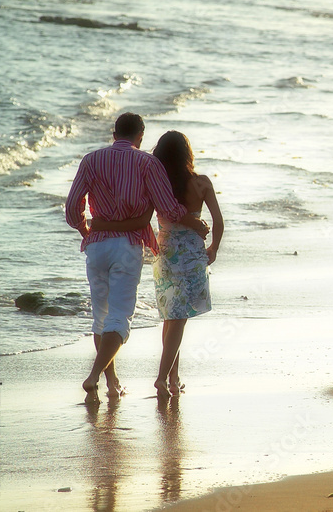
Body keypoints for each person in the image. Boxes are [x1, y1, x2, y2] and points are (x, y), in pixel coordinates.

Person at [65, 113, 208, 404]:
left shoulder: (91, 160)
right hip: (128, 246)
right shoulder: (146, 162)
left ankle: (112, 384)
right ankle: (93, 377)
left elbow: (71, 208)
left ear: (113, 131)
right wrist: (195, 224)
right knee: (119, 316)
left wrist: (86, 229)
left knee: (101, 317)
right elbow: (168, 207)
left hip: (96, 246)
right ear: (140, 135)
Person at [93, 130, 223, 398]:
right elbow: (218, 222)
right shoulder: (201, 183)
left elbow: (142, 217)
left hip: (164, 255)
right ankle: (162, 379)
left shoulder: (156, 184)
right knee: (178, 319)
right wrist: (214, 249)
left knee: (171, 318)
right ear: (188, 154)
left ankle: (173, 380)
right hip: (191, 257)